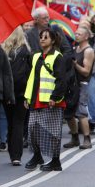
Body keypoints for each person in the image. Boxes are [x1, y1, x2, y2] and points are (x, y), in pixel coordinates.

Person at [24, 28, 67, 172]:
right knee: (32, 129)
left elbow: (62, 80)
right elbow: (32, 79)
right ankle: (37, 156)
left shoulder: (57, 57)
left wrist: (54, 97)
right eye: (41, 36)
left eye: (46, 37)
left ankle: (56, 161)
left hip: (52, 100)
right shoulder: (36, 56)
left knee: (53, 132)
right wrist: (28, 97)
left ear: (53, 40)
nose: (42, 39)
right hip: (36, 99)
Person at [1, 26, 32, 166]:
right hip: (23, 92)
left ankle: (11, 153)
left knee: (10, 122)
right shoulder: (26, 51)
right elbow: (31, 73)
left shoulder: (3, 52)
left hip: (7, 92)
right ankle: (16, 155)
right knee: (19, 122)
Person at [63, 26, 95, 149]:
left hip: (82, 84)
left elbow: (86, 72)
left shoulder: (88, 51)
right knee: (69, 112)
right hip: (72, 84)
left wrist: (75, 64)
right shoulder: (75, 48)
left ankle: (87, 139)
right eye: (76, 33)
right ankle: (75, 138)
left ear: (86, 36)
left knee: (81, 112)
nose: (76, 35)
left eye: (79, 34)